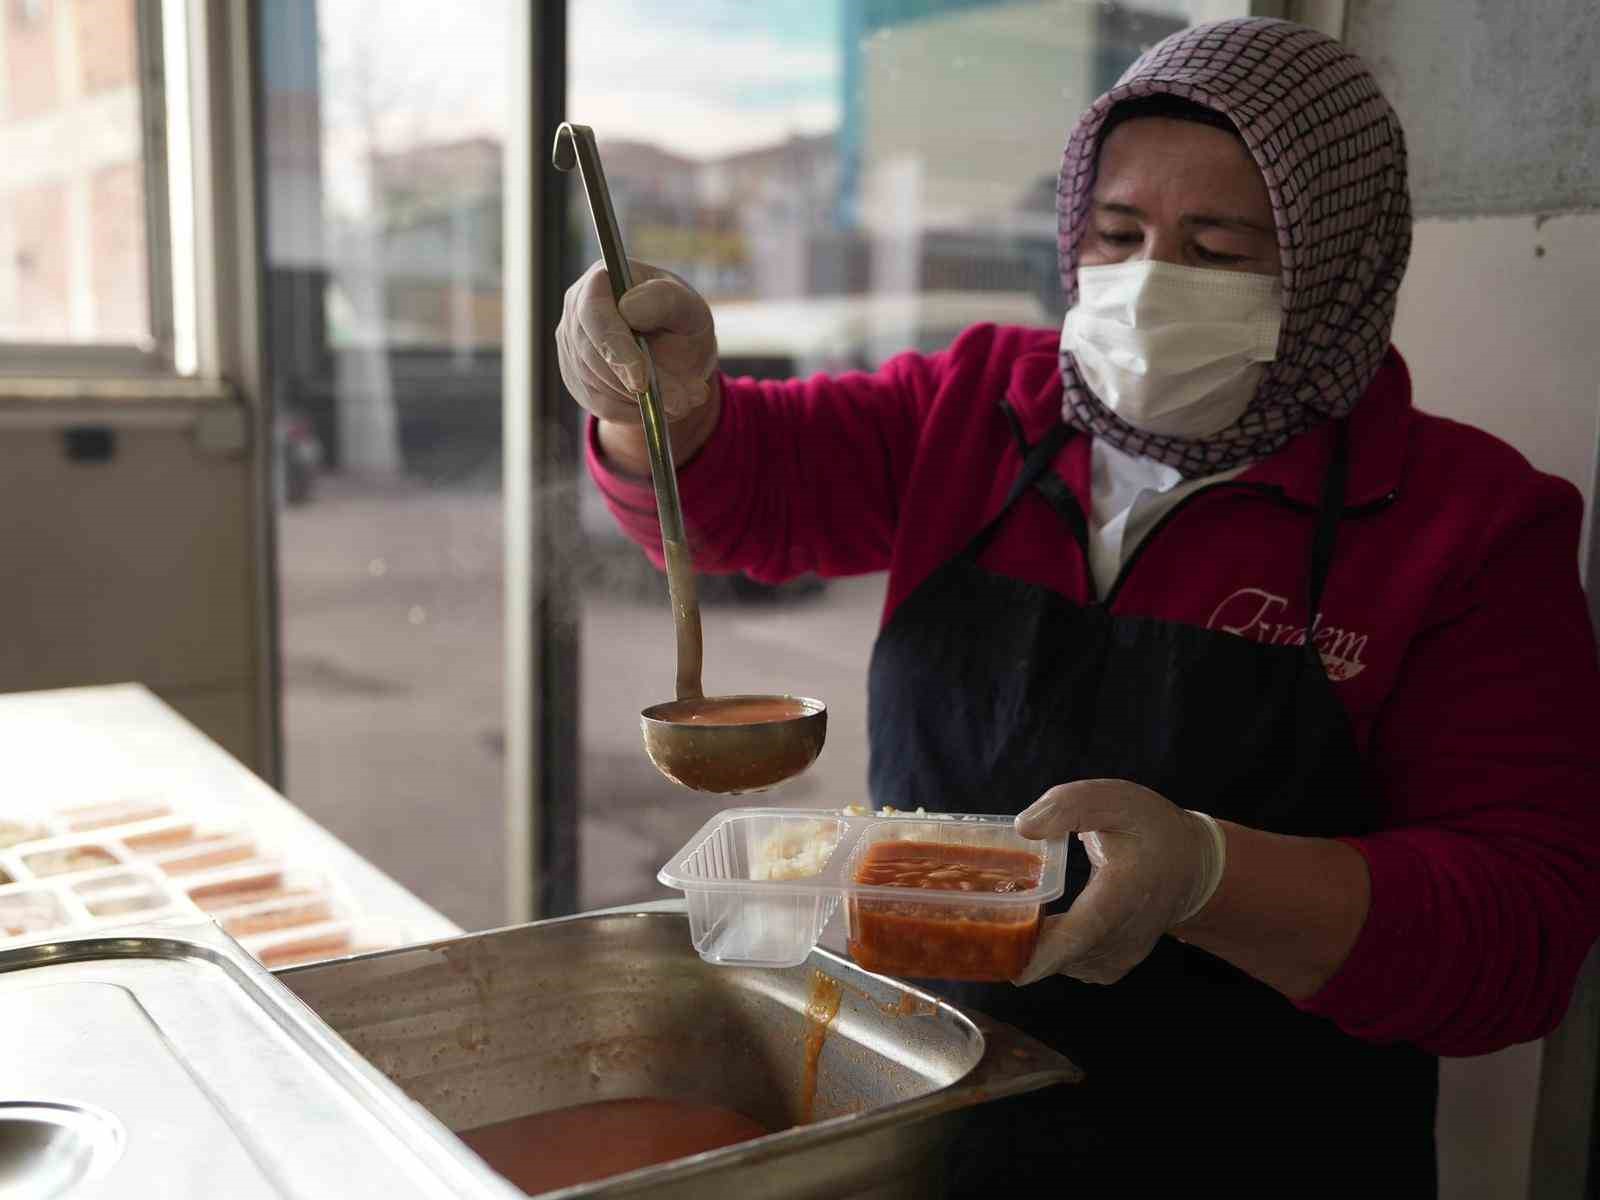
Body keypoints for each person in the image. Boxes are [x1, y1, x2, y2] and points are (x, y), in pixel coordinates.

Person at [558, 17, 1600, 1193]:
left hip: (1267, 1153)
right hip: (937, 1112)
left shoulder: (1468, 523)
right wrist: (660, 401)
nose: (1152, 281)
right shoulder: (978, 406)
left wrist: (1208, 875)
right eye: (1119, 233)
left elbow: (1520, 937)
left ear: (1337, 265)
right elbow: (746, 490)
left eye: (1217, 248)